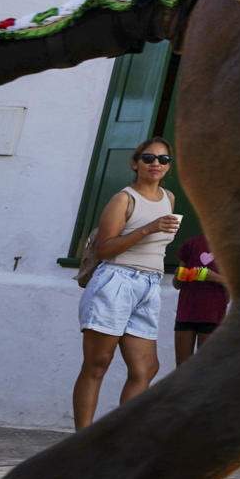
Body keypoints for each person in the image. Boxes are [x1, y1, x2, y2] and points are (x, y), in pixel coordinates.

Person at [74, 137, 177, 429]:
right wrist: (149, 228)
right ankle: (83, 441)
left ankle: (121, 439)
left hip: (149, 285)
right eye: (148, 158)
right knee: (97, 364)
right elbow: (105, 249)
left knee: (145, 368)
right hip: (116, 281)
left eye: (163, 159)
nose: (156, 163)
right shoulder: (124, 198)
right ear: (136, 163)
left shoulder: (169, 198)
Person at [171, 232, 227, 366]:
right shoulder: (191, 244)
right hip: (186, 313)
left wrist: (214, 277)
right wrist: (179, 276)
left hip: (213, 314)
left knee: (204, 369)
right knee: (182, 369)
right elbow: (176, 284)